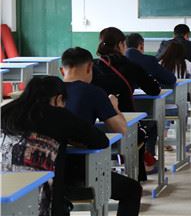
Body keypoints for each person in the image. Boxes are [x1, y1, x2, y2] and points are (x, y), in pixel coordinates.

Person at [1, 76, 108, 216]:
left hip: (4, 195)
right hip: (42, 201)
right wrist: (70, 138)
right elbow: (101, 141)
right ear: (58, 99)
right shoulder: (59, 115)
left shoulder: (5, 112)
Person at [60, 47, 143, 216]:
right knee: (132, 189)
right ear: (90, 67)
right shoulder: (93, 92)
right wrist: (113, 106)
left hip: (47, 170)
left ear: (62, 70)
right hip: (81, 170)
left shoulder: (47, 91)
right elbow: (121, 129)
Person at [92, 27, 161, 113]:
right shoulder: (131, 66)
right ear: (120, 44)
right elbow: (154, 90)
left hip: (96, 116)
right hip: (125, 116)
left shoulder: (92, 66)